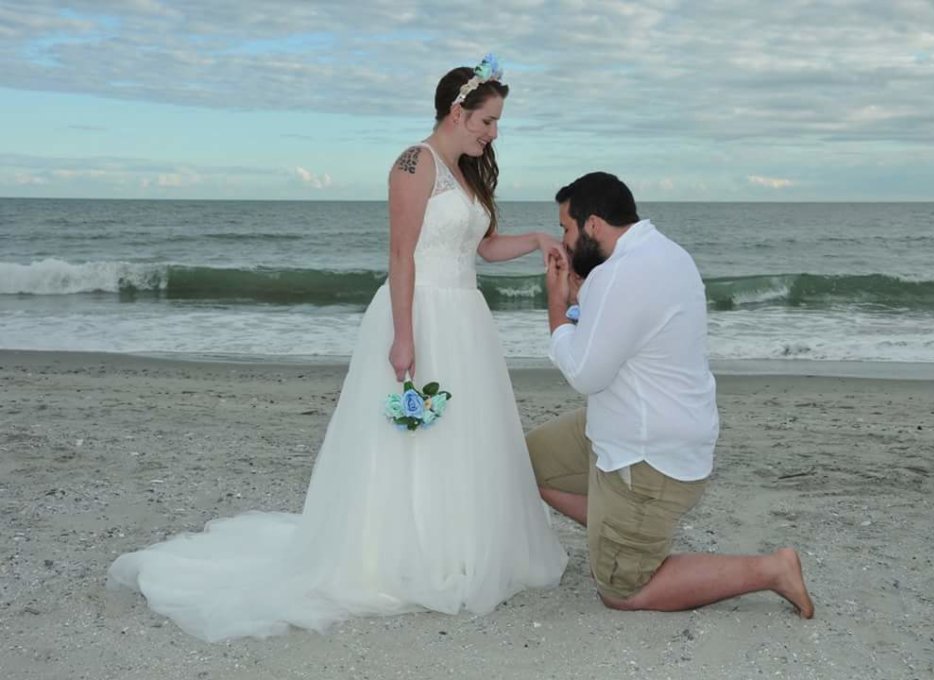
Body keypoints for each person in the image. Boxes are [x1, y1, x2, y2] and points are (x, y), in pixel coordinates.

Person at [108, 55, 567, 642]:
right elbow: (402, 256)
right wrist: (404, 336)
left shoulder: (468, 172)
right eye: (488, 121)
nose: (493, 133)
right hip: (420, 312)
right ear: (458, 110)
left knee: (464, 435)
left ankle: (459, 549)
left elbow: (480, 248)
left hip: (465, 317)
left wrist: (533, 240)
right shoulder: (413, 162)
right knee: (410, 439)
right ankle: (401, 554)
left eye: (497, 123)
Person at [530, 171, 813, 618]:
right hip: (629, 427)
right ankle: (616, 528)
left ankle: (771, 569)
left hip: (646, 455)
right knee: (526, 462)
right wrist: (581, 298)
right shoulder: (664, 253)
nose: (564, 242)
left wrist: (556, 303)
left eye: (567, 228)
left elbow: (584, 374)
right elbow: (615, 333)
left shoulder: (620, 274)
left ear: (594, 226)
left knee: (621, 591)